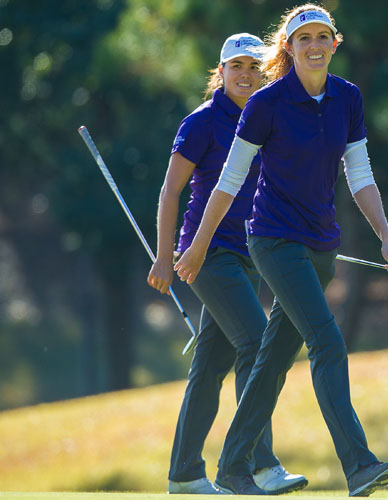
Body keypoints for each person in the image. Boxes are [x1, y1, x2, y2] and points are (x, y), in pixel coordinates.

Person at [174, 4, 388, 497]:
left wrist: (385, 236)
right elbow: (228, 183)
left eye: (323, 36)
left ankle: (234, 467)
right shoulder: (266, 104)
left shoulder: (347, 98)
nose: (315, 45)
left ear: (334, 44)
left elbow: (359, 174)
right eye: (304, 38)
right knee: (326, 341)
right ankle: (358, 464)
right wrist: (195, 248)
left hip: (321, 243)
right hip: (274, 241)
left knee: (272, 358)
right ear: (289, 47)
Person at [147, 33, 307, 496]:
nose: (245, 75)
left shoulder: (267, 120)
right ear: (220, 72)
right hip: (208, 254)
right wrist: (163, 256)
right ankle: (258, 466)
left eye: (255, 67)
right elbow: (170, 191)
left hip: (250, 254)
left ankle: (184, 475)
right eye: (236, 66)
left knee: (211, 365)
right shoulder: (200, 123)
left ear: (267, 73)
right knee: (258, 346)